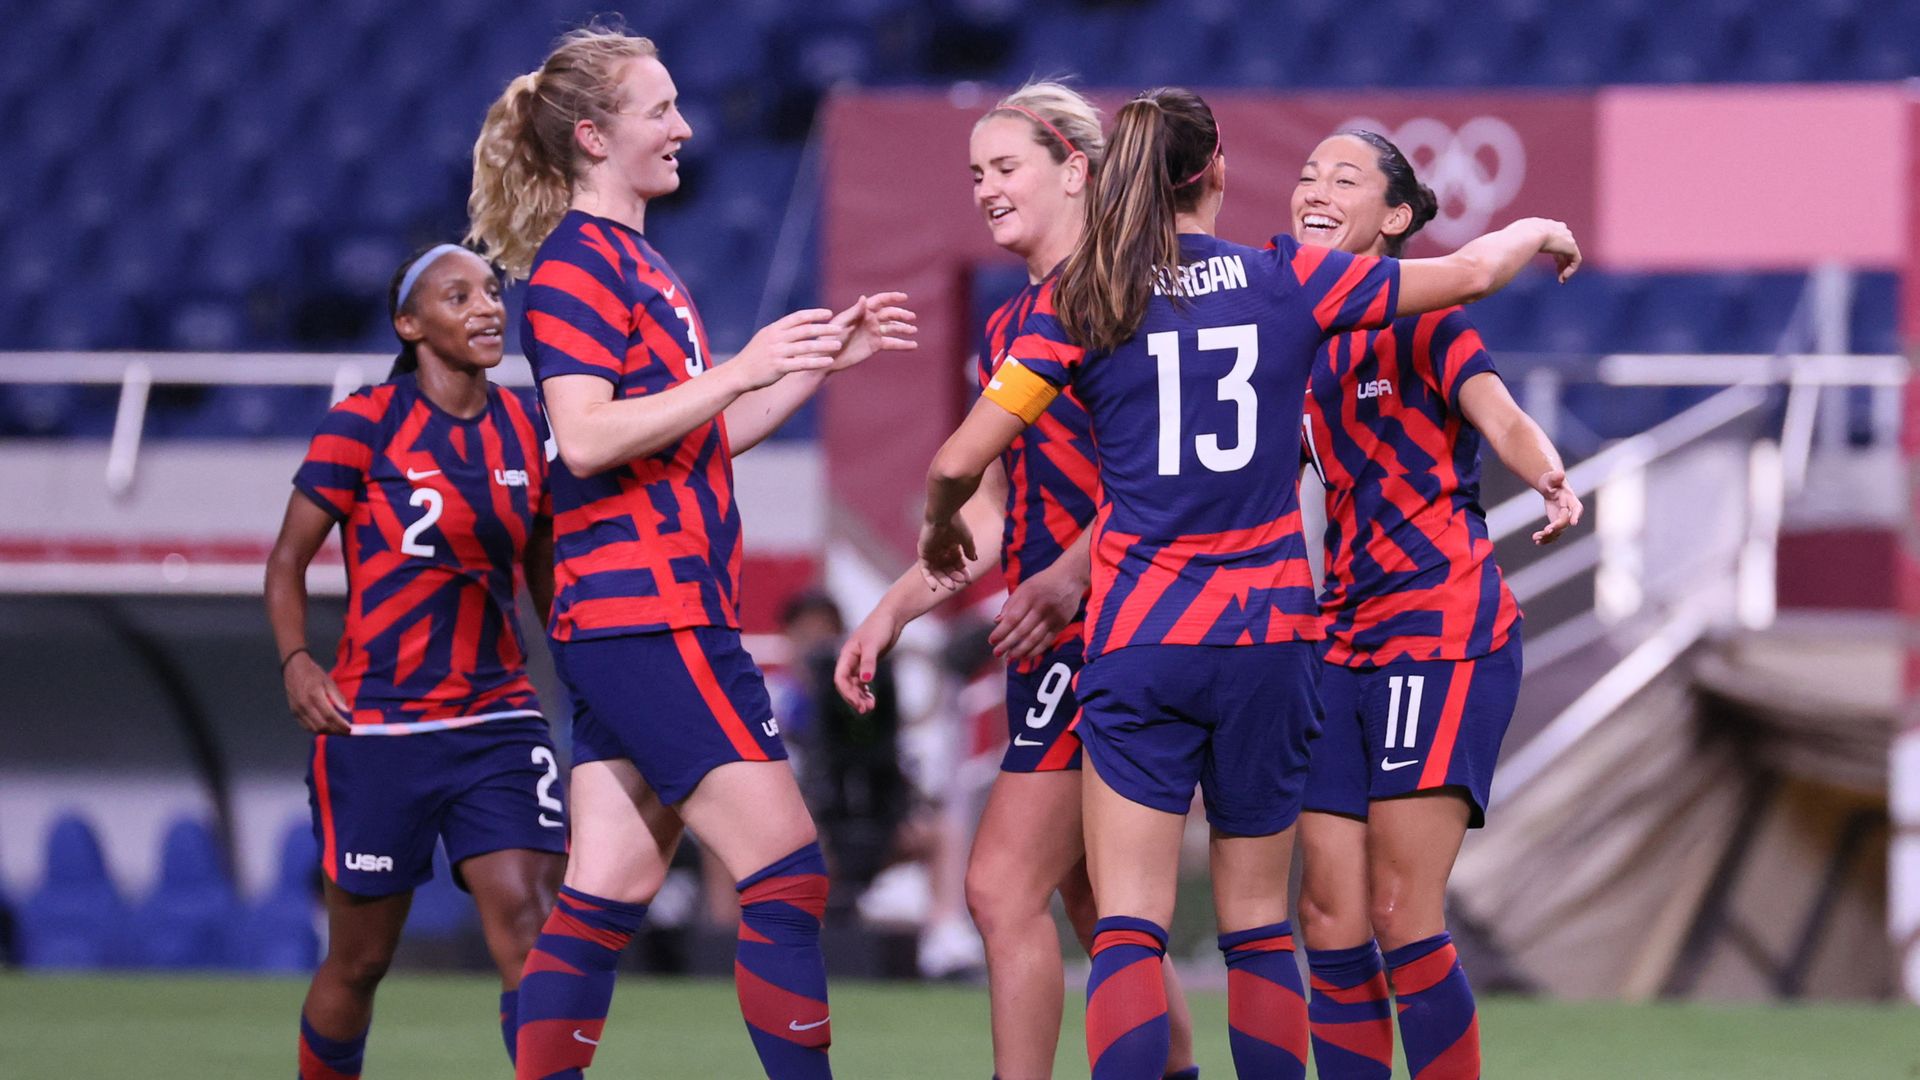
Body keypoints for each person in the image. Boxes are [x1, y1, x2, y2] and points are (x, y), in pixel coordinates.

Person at [915, 87, 1579, 1080]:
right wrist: (1539, 228)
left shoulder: (1079, 300)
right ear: (1218, 169)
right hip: (1274, 638)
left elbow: (957, 462)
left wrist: (938, 527)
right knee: (1266, 923)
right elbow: (1476, 272)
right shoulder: (1286, 280)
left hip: (1145, 635)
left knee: (1129, 925)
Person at [465, 22, 915, 1080]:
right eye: (659, 109)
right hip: (650, 617)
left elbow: (693, 435)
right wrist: (742, 366)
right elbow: (584, 436)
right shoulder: (579, 266)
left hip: (634, 619)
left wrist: (813, 367)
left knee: (604, 894)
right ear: (592, 136)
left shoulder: (634, 262)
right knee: (788, 872)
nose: (684, 128)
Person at [833, 82, 1198, 1080]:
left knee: (1000, 887)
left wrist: (1074, 573)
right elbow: (992, 512)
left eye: (1005, 167)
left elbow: (1179, 479)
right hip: (1059, 641)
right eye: (975, 174)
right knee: (1090, 902)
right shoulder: (1008, 327)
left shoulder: (1132, 301)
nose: (986, 189)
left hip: (1120, 632)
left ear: (1075, 171)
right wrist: (891, 612)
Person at [1291, 130, 1583, 1080]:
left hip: (1438, 628)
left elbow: (1500, 413)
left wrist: (1547, 476)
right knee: (1327, 918)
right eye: (1306, 175)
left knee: (1399, 913)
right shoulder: (1293, 337)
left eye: (1344, 179)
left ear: (1395, 217)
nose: (1314, 189)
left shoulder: (1426, 320)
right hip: (1339, 637)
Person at [265, 243, 567, 1080]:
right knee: (360, 961)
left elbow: (546, 573)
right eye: (457, 295)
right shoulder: (363, 424)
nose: (488, 306)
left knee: (531, 927)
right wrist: (296, 660)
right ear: (409, 324)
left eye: (492, 291)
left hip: (499, 718)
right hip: (377, 727)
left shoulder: (529, 425)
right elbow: (287, 562)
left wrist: (588, 674)